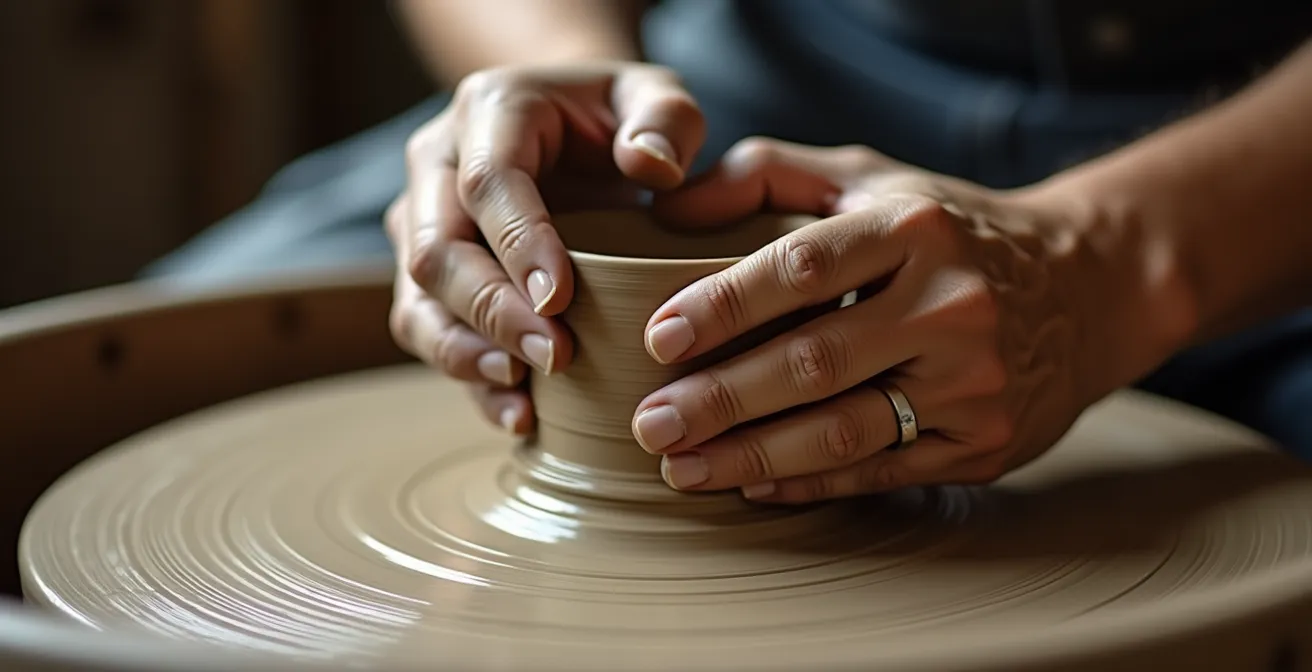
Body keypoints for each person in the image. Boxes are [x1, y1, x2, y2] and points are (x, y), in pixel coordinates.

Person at [145, 1, 1312, 503]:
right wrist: (560, 65)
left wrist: (1109, 257)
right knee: (148, 399)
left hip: (1251, 167)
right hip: (729, 103)